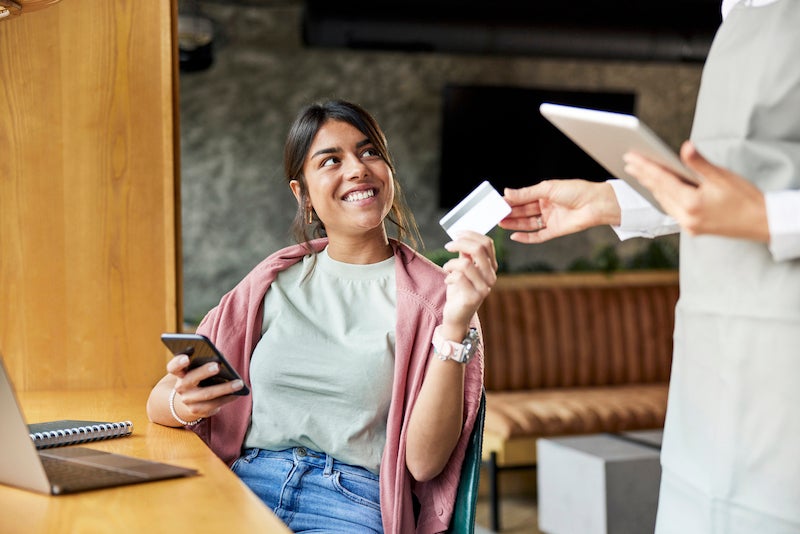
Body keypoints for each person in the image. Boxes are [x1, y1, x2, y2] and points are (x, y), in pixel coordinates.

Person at [500, 1, 800, 532]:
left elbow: (760, 199)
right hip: (712, 359)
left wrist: (769, 217)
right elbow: (729, 182)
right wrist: (614, 200)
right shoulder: (738, 13)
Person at [146, 100, 497, 533]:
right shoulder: (269, 284)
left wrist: (458, 322)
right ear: (303, 194)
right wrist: (185, 404)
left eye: (370, 152)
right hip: (242, 486)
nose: (357, 169)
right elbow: (159, 400)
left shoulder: (438, 300)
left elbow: (424, 465)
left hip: (350, 502)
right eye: (331, 160)